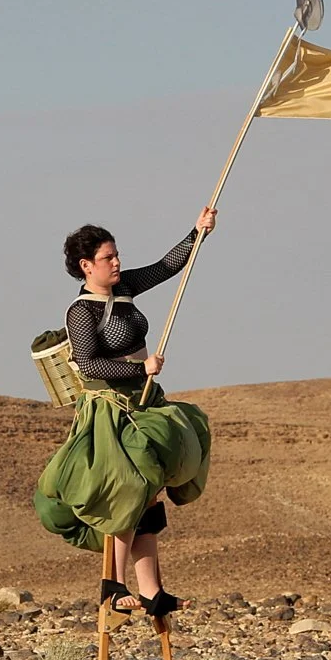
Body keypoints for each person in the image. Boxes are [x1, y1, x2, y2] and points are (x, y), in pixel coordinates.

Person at [33, 206, 216, 621]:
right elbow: (89, 363)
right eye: (108, 258)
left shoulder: (125, 287)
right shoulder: (81, 312)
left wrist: (197, 232)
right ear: (86, 266)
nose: (117, 263)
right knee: (129, 489)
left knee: (149, 490)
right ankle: (112, 587)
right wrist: (140, 367)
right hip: (109, 410)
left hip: (144, 400)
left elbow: (168, 267)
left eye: (117, 256)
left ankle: (152, 591)